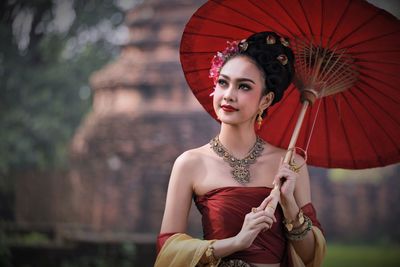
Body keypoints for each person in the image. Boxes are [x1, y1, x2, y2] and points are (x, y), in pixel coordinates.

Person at [155, 31, 326, 267]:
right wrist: (236, 242)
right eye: (223, 82)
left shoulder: (290, 163)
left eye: (244, 87)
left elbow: (310, 256)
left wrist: (289, 205)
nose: (228, 95)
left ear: (265, 100)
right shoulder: (190, 163)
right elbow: (168, 247)